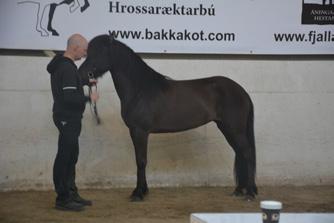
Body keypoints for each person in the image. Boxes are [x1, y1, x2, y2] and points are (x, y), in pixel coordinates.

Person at [47, 34, 99, 211]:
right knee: (65, 156)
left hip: (69, 118)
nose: (85, 54)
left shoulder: (65, 67)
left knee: (72, 155)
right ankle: (63, 199)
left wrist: (85, 82)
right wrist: (89, 97)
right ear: (75, 47)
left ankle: (71, 192)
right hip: (67, 117)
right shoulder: (67, 69)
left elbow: (70, 88)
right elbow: (70, 97)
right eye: (84, 50)